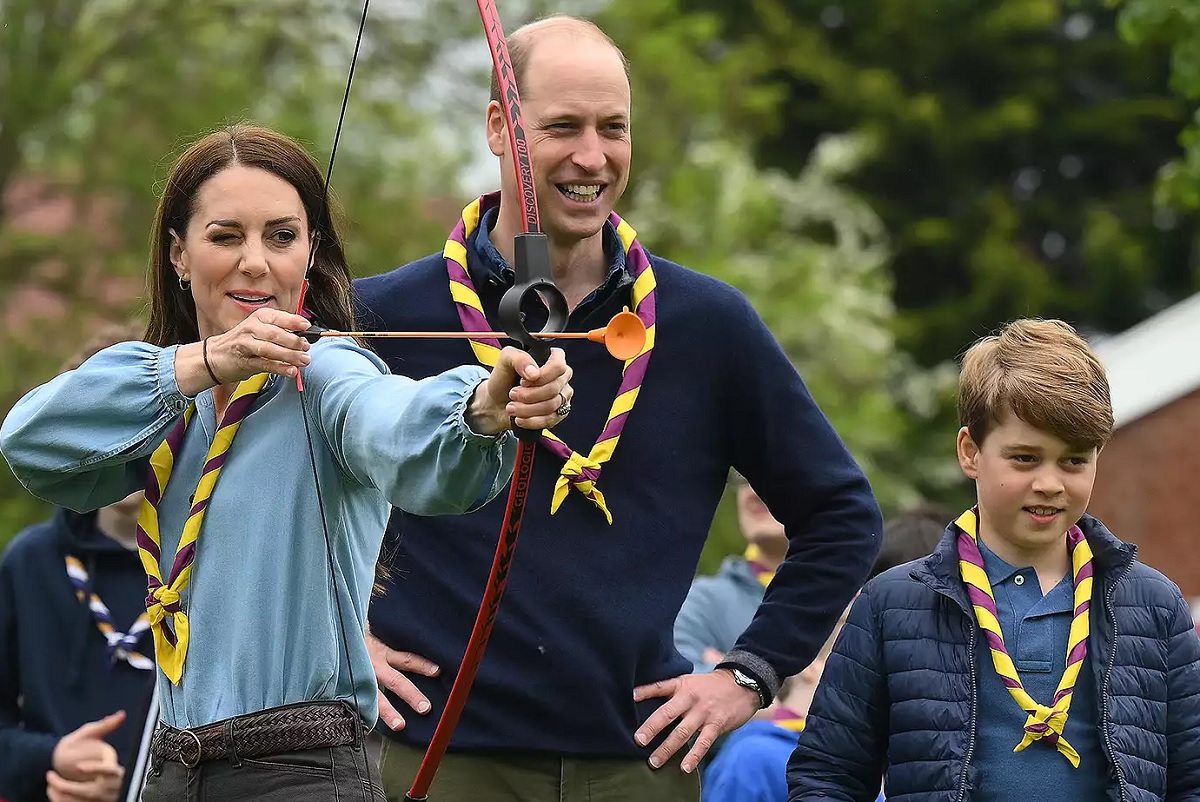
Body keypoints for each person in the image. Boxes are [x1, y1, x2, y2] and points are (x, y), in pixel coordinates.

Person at [354, 15, 882, 802]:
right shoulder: (383, 313)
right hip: (436, 758)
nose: (592, 158)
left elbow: (841, 514)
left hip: (635, 766)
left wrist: (749, 672)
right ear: (501, 126)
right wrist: (340, 638)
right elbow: (269, 501)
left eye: (614, 129)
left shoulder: (706, 323)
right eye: (562, 127)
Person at [0, 123, 575, 801]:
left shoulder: (327, 375)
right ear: (179, 255)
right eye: (225, 236)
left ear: (310, 253)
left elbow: (395, 424)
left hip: (299, 773)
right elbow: (31, 441)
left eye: (281, 236)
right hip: (174, 771)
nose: (255, 263)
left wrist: (481, 408)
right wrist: (205, 361)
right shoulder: (166, 398)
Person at [786, 318, 1200, 801]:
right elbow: (827, 778)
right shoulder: (892, 605)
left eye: (1073, 460)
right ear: (971, 452)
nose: (1049, 482)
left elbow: (1190, 780)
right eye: (1024, 458)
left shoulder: (1153, 605)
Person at [0, 323, 156, 802]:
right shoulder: (30, 562)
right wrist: (49, 760)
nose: (123, 449)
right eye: (100, 430)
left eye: (138, 428)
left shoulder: (209, 566)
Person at [674, 473, 788, 674]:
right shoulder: (699, 603)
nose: (754, 490)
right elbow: (672, 688)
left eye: (784, 469)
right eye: (744, 477)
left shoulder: (855, 600)